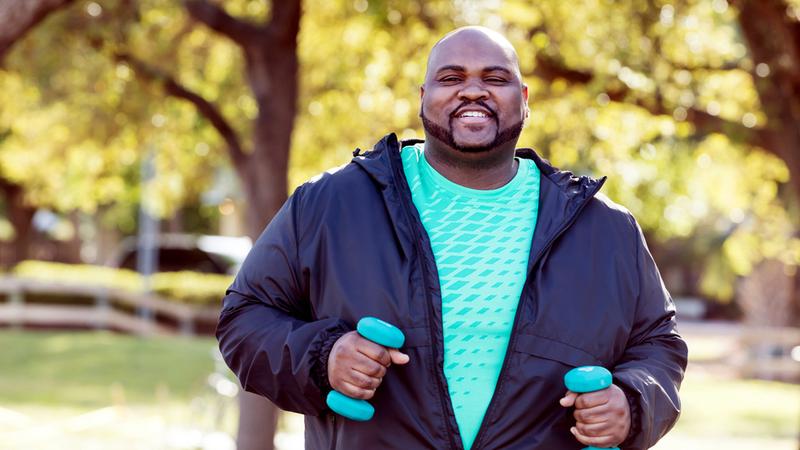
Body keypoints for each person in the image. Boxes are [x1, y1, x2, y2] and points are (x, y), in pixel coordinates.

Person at [217, 26, 688, 450]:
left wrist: (631, 403)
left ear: (524, 98)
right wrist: (324, 357)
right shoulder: (330, 204)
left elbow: (658, 342)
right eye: (451, 78)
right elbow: (244, 318)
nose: (473, 91)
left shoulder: (603, 228)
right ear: (423, 97)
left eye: (495, 79)